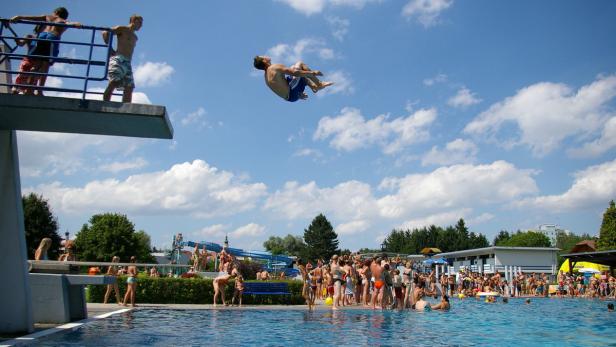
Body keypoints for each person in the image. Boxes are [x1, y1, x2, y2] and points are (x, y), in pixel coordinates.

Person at [10, 7, 81, 96]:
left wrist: (19, 17)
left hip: (41, 36)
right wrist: (78, 24)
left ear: (56, 12)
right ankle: (39, 90)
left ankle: (29, 90)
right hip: (52, 38)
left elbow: (33, 18)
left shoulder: (47, 17)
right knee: (45, 66)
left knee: (35, 65)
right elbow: (73, 24)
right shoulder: (63, 21)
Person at [253, 55, 333, 102]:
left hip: (290, 97)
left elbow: (280, 88)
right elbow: (295, 73)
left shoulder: (266, 77)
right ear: (264, 61)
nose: (265, 55)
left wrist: (298, 95)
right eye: (263, 56)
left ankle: (313, 86)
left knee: (293, 68)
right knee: (299, 64)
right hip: (292, 92)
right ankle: (318, 84)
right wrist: (312, 73)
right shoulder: (274, 67)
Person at [102, 14, 143, 103]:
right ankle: (105, 104)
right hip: (118, 59)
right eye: (139, 22)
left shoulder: (135, 37)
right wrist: (110, 49)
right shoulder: (123, 29)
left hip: (128, 63)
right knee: (113, 82)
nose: (140, 25)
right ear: (133, 20)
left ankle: (126, 110)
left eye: (141, 23)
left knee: (129, 87)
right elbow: (106, 32)